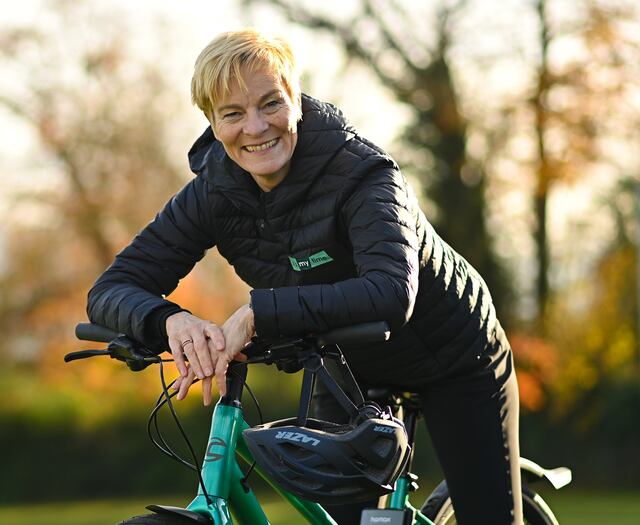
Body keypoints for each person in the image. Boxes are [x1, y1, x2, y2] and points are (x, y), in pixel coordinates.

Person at [87, 28, 522, 525]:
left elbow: (390, 292)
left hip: (453, 357)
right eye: (232, 113)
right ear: (211, 122)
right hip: (347, 371)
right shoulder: (212, 192)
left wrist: (257, 316)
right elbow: (111, 289)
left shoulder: (364, 173)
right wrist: (171, 322)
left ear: (296, 99)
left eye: (270, 103)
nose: (255, 127)